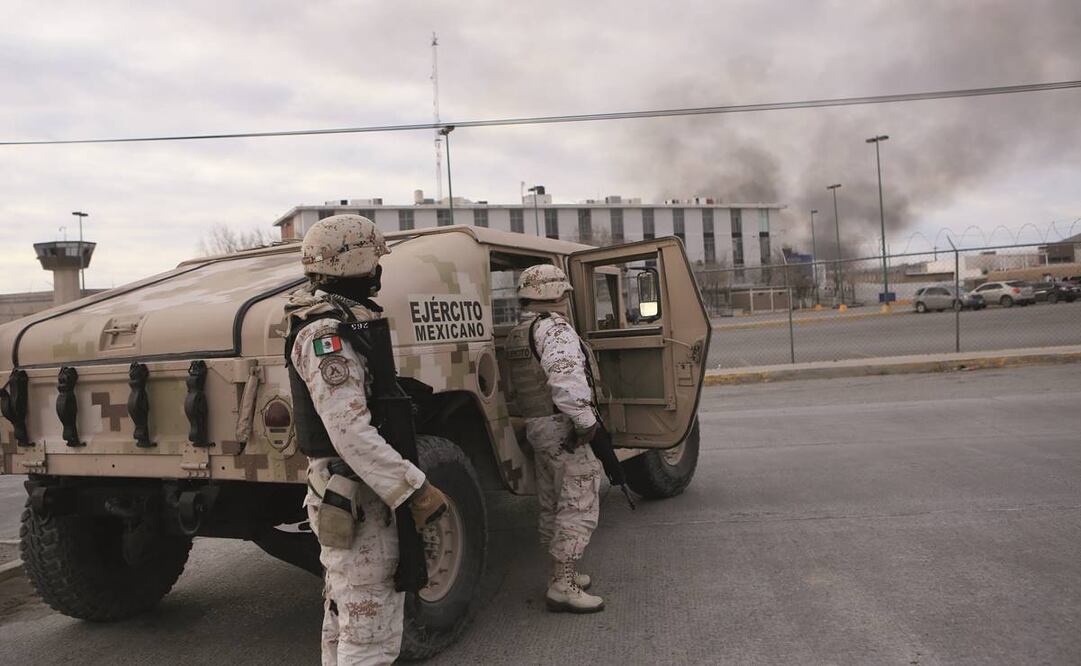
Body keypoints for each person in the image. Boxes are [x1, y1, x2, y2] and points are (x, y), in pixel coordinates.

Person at [283, 214, 448, 665]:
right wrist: (414, 488)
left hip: (357, 489)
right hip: (357, 493)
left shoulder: (342, 322)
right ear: (356, 263)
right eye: (374, 260)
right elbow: (349, 431)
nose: (379, 270)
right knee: (369, 629)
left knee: (345, 616)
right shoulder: (326, 335)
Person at [505, 264, 605, 613]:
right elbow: (565, 377)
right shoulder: (554, 329)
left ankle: (559, 574)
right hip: (561, 426)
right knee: (579, 500)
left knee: (552, 502)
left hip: (537, 426)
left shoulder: (521, 331)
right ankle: (563, 585)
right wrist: (584, 421)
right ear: (557, 294)